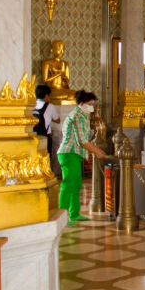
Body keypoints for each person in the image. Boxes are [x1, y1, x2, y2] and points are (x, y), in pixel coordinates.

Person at [57, 90, 106, 225]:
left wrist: (97, 149)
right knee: (68, 184)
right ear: (82, 103)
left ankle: (73, 213)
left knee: (76, 184)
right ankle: (61, 215)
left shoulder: (83, 115)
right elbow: (82, 140)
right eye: (90, 104)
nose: (92, 106)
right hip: (69, 153)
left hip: (75, 154)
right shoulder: (77, 115)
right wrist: (97, 152)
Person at [33, 84, 61, 177]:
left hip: (32, 137)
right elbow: (57, 120)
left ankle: (35, 175)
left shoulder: (32, 104)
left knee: (34, 157)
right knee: (46, 158)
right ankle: (46, 175)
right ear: (46, 95)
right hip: (45, 137)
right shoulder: (50, 106)